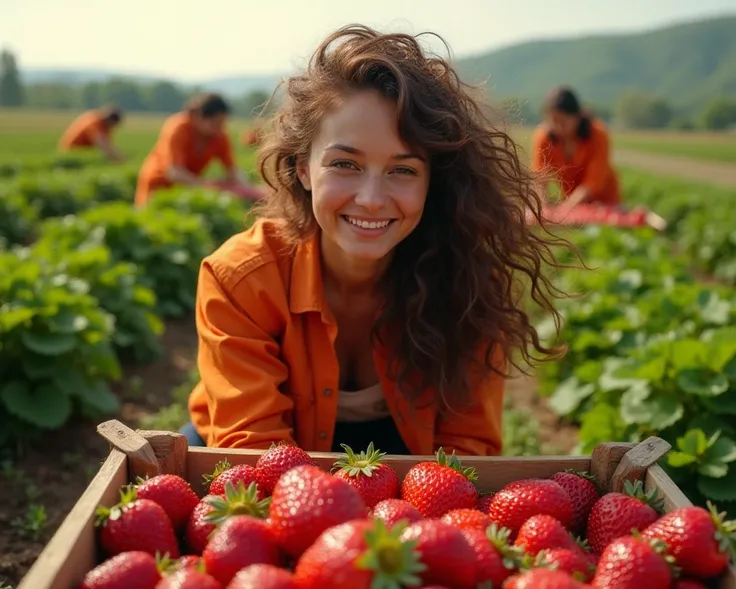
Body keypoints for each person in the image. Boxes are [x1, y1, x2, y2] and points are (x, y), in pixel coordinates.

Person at [179, 25, 565, 456]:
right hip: (252, 451)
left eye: (403, 170)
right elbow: (254, 454)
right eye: (345, 163)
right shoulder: (242, 278)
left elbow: (466, 449)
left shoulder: (466, 281)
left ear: (431, 182)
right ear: (303, 167)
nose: (371, 200)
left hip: (402, 456)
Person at [134, 93, 256, 207]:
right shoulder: (178, 128)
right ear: (199, 117)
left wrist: (248, 190)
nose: (219, 128)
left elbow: (232, 169)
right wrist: (208, 187)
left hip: (186, 189)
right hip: (157, 184)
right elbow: (174, 172)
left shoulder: (219, 136)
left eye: (222, 123)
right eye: (215, 123)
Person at [531, 87, 621, 211]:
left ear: (577, 117)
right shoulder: (543, 137)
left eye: (563, 121)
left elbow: (594, 181)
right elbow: (540, 177)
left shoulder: (598, 134)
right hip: (572, 204)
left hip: (605, 203)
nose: (558, 127)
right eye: (553, 121)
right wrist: (542, 207)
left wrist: (566, 208)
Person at [58, 105, 124, 162]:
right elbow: (103, 145)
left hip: (81, 152)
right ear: (110, 120)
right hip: (71, 151)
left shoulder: (100, 123)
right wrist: (118, 160)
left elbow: (108, 145)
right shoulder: (94, 122)